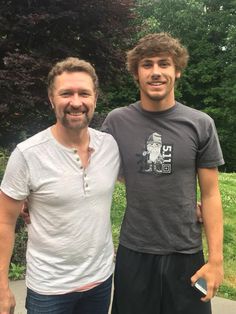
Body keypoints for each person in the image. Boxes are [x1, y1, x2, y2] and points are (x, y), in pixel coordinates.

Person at [101, 33, 224, 314]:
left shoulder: (200, 124)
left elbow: (211, 193)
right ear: (136, 73)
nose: (156, 72)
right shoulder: (117, 121)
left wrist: (216, 260)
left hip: (186, 253)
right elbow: (95, 169)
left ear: (177, 70)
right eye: (147, 65)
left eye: (164, 64)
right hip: (135, 251)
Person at [0, 57, 120, 314]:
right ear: (52, 98)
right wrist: (2, 288)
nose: (76, 102)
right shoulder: (28, 154)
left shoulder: (110, 146)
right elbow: (4, 221)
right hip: (49, 290)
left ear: (95, 98)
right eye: (66, 93)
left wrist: (185, 203)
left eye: (84, 93)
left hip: (100, 281)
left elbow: (143, 181)